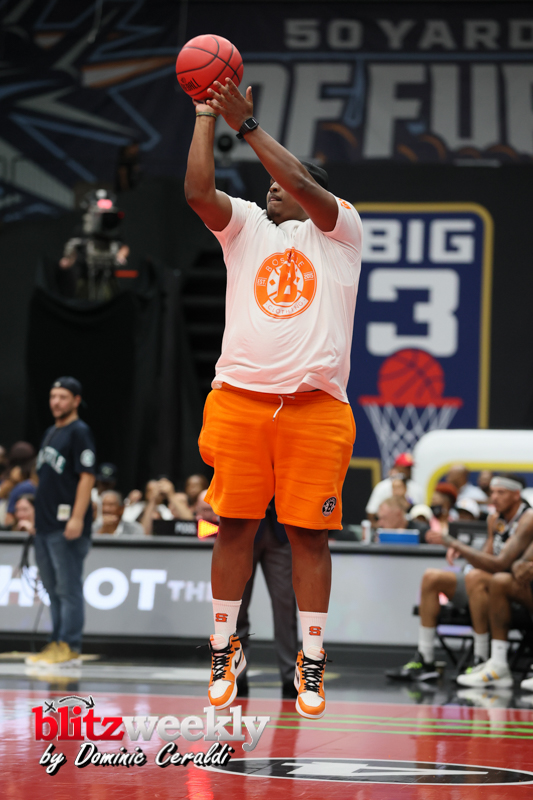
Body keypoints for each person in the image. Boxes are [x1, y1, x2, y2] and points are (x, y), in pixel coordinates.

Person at [184, 76, 362, 719]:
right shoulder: (246, 227)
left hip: (315, 406)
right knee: (233, 524)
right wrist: (207, 116)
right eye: (267, 182)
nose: (271, 187)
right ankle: (223, 646)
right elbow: (197, 193)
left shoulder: (341, 231)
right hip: (240, 399)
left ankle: (311, 657)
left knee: (309, 535)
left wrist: (250, 127)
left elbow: (305, 183)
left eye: (281, 182)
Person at [386, 474, 533, 682]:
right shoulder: (494, 519)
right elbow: (486, 558)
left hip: (514, 587)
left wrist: (456, 544)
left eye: (501, 492)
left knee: (477, 577)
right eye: (493, 492)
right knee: (432, 577)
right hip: (488, 582)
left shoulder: (527, 518)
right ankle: (425, 659)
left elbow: (500, 564)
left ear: (516, 495)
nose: (494, 497)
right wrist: (467, 554)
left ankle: (481, 657)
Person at [28, 377, 96, 668]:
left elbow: (87, 476)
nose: (56, 402)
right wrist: (35, 517)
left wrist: (77, 517)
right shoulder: (50, 432)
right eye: (53, 396)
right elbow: (44, 480)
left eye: (63, 397)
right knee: (52, 588)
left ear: (76, 400)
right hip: (44, 525)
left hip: (66, 524)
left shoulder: (79, 432)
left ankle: (70, 647)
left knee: (68, 589)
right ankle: (56, 643)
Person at [236, 501, 298, 699]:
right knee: (237, 609)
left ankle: (291, 677)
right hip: (244, 526)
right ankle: (236, 675)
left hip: (281, 527)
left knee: (285, 608)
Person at [366, 454, 424, 527]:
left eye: (410, 468)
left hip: (411, 528)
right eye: (405, 468)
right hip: (386, 528)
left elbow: (422, 513)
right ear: (396, 467)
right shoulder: (382, 487)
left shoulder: (416, 488)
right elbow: (371, 512)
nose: (408, 471)